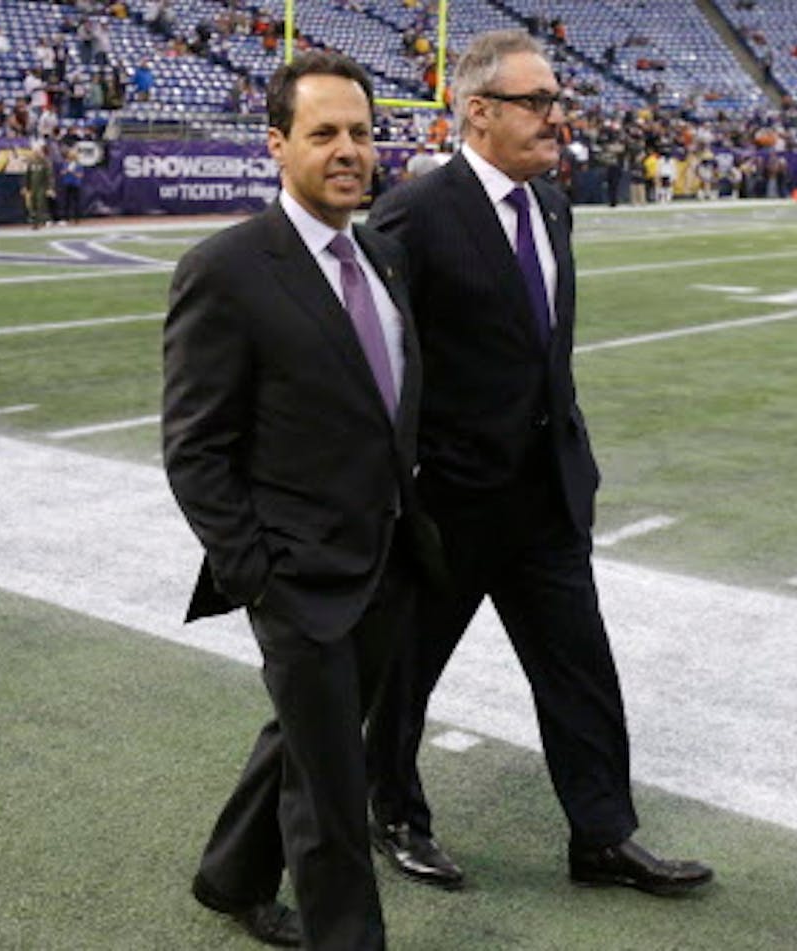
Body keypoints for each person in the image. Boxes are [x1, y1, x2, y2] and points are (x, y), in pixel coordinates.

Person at [364, 29, 713, 898]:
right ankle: (396, 813)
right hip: (449, 498)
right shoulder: (417, 210)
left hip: (545, 493)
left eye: (557, 100)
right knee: (406, 672)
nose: (558, 117)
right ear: (478, 112)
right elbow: (376, 356)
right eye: (539, 102)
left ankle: (603, 834)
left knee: (580, 666)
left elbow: (542, 351)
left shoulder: (551, 204)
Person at [164, 50, 433, 950]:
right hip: (294, 576)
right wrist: (258, 576)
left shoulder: (386, 256)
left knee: (305, 740)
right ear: (277, 145)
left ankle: (229, 874)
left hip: (384, 559)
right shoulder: (227, 268)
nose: (349, 149)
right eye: (324, 134)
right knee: (330, 787)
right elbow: (196, 448)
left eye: (360, 132)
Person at [22, 144, 54, 228]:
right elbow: (27, 175)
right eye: (35, 152)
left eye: (38, 151)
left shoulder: (45, 162)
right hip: (33, 187)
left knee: (40, 204)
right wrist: (25, 186)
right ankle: (38, 220)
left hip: (42, 186)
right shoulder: (31, 162)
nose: (37, 153)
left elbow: (49, 176)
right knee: (32, 204)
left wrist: (50, 188)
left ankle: (38, 222)